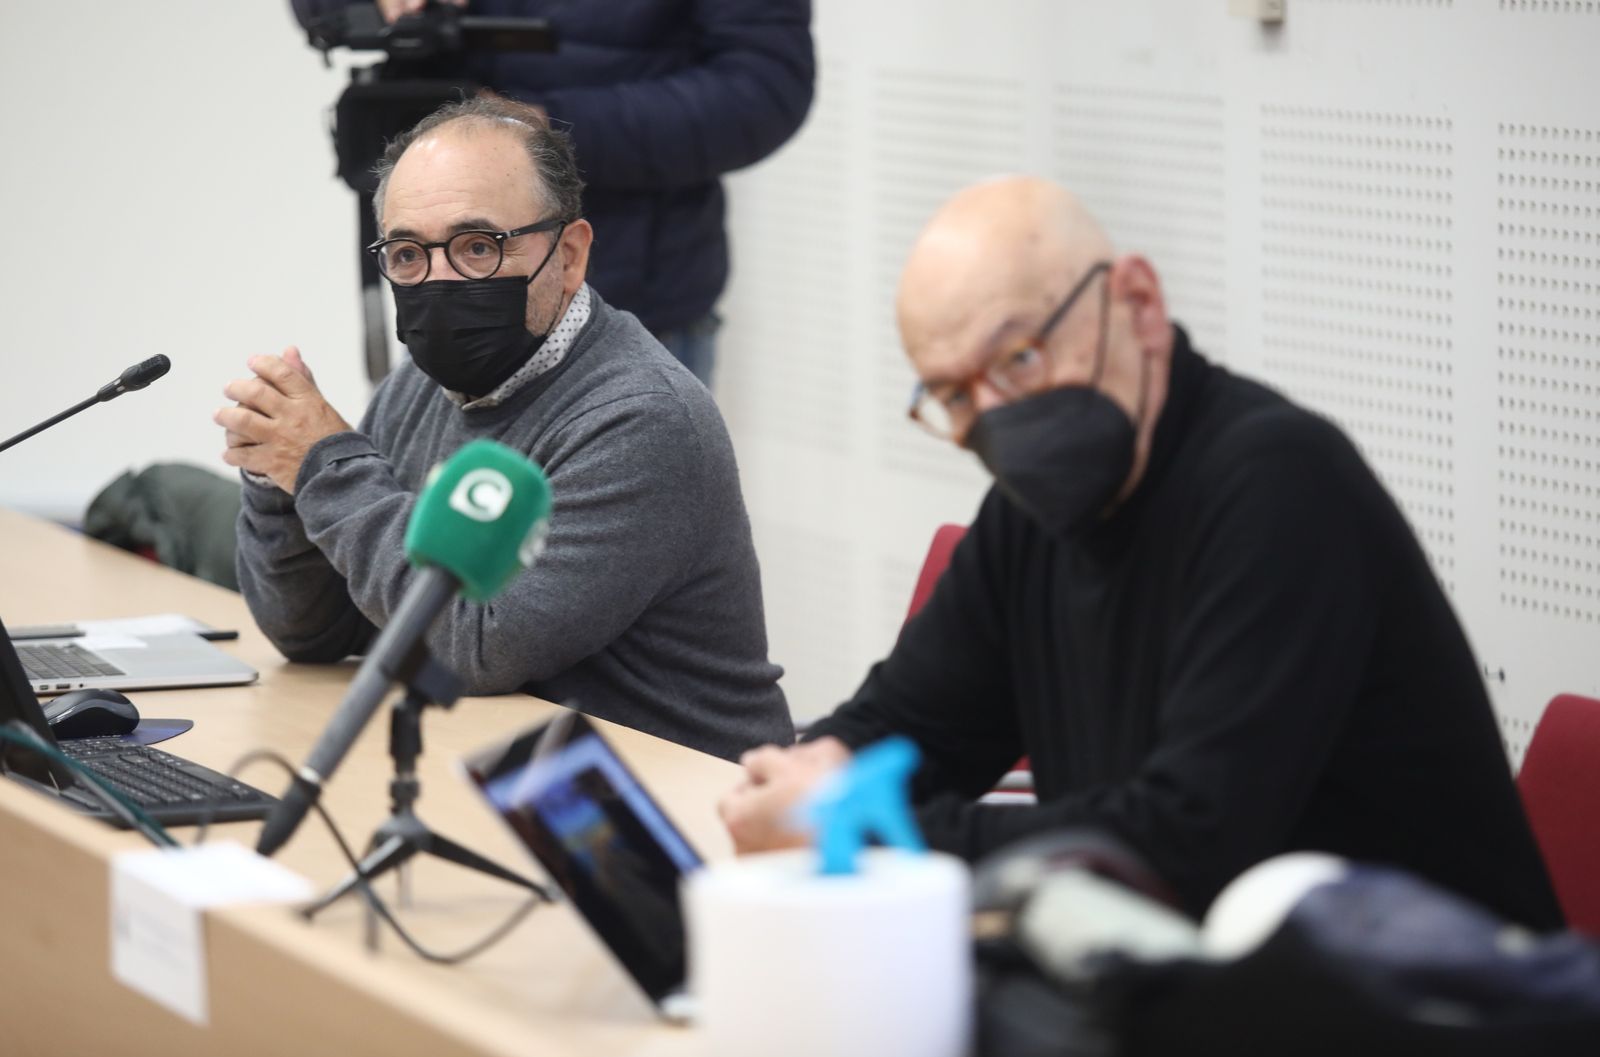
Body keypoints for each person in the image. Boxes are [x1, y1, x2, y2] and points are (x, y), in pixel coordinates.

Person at [718, 176, 1565, 930]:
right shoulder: (1029, 519)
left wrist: (856, 821)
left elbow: (1186, 844)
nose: (995, 417)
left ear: (1139, 302)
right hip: (1213, 990)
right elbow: (913, 725)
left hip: (1438, 1006)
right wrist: (805, 773)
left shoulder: (1278, 485)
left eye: (1018, 358)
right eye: (953, 394)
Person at [217, 96, 791, 762]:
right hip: (506, 763)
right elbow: (314, 632)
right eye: (407, 254)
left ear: (570, 255)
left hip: (665, 803)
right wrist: (279, 474)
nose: (438, 280)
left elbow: (481, 642)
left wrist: (324, 464)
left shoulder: (640, 417)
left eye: (477, 247)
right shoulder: (419, 384)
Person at [295, 0, 815, 386]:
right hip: (437, 302)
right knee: (431, 525)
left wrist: (540, 133)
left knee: (618, 526)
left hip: (628, 301)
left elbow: (764, 88)